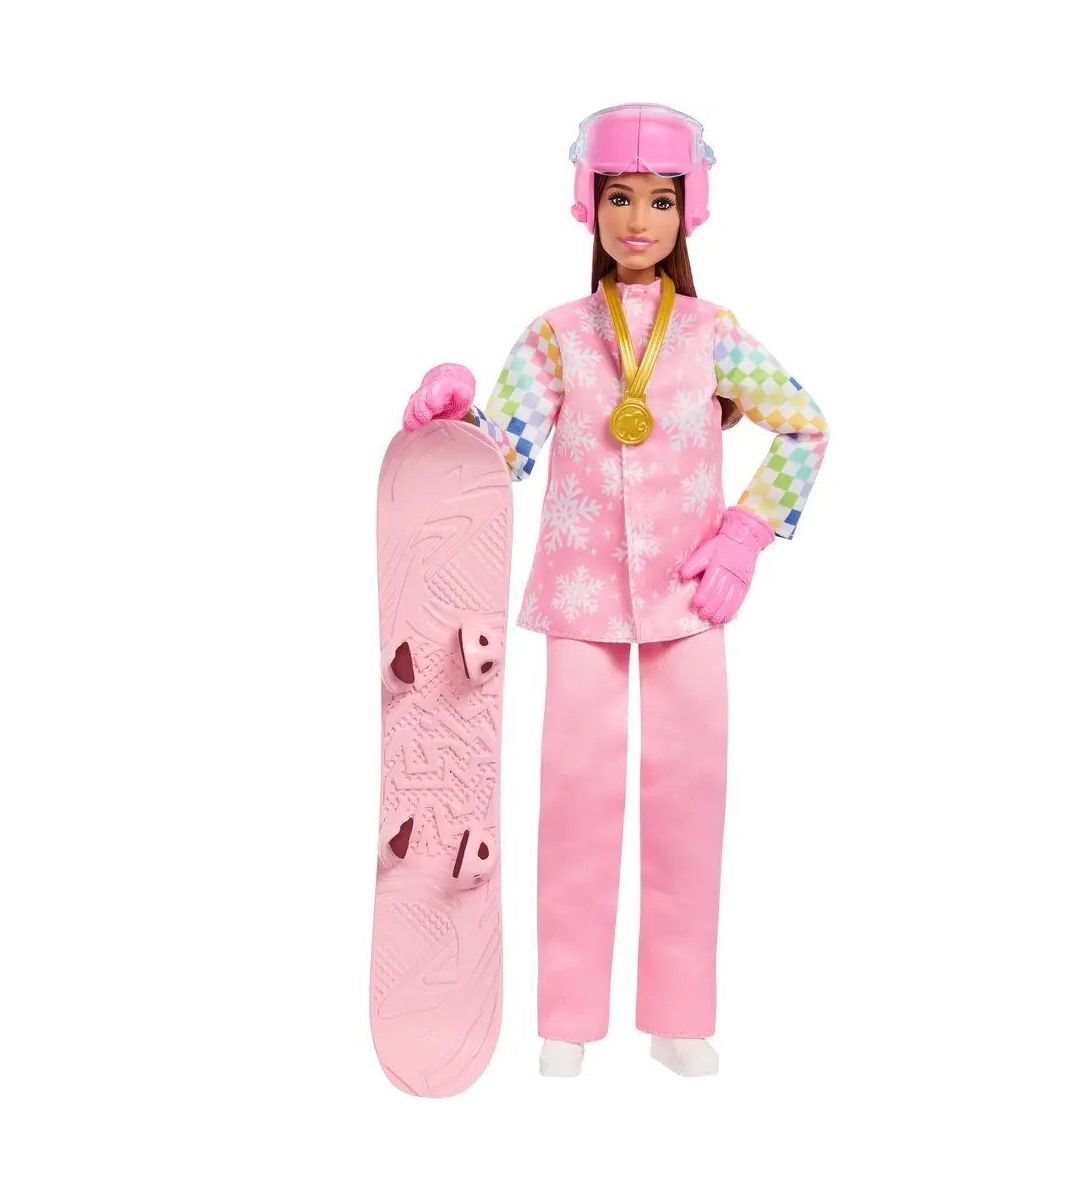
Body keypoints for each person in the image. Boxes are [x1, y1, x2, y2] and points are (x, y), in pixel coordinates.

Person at [402, 103, 830, 1077]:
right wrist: (448, 425)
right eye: (621, 197)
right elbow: (505, 450)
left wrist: (746, 535)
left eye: (661, 200)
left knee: (690, 798)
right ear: (588, 204)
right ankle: (566, 1020)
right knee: (576, 798)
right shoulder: (558, 337)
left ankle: (678, 1015)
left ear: (690, 210)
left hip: (690, 597)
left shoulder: (714, 335)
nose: (640, 220)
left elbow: (807, 424)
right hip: (582, 595)